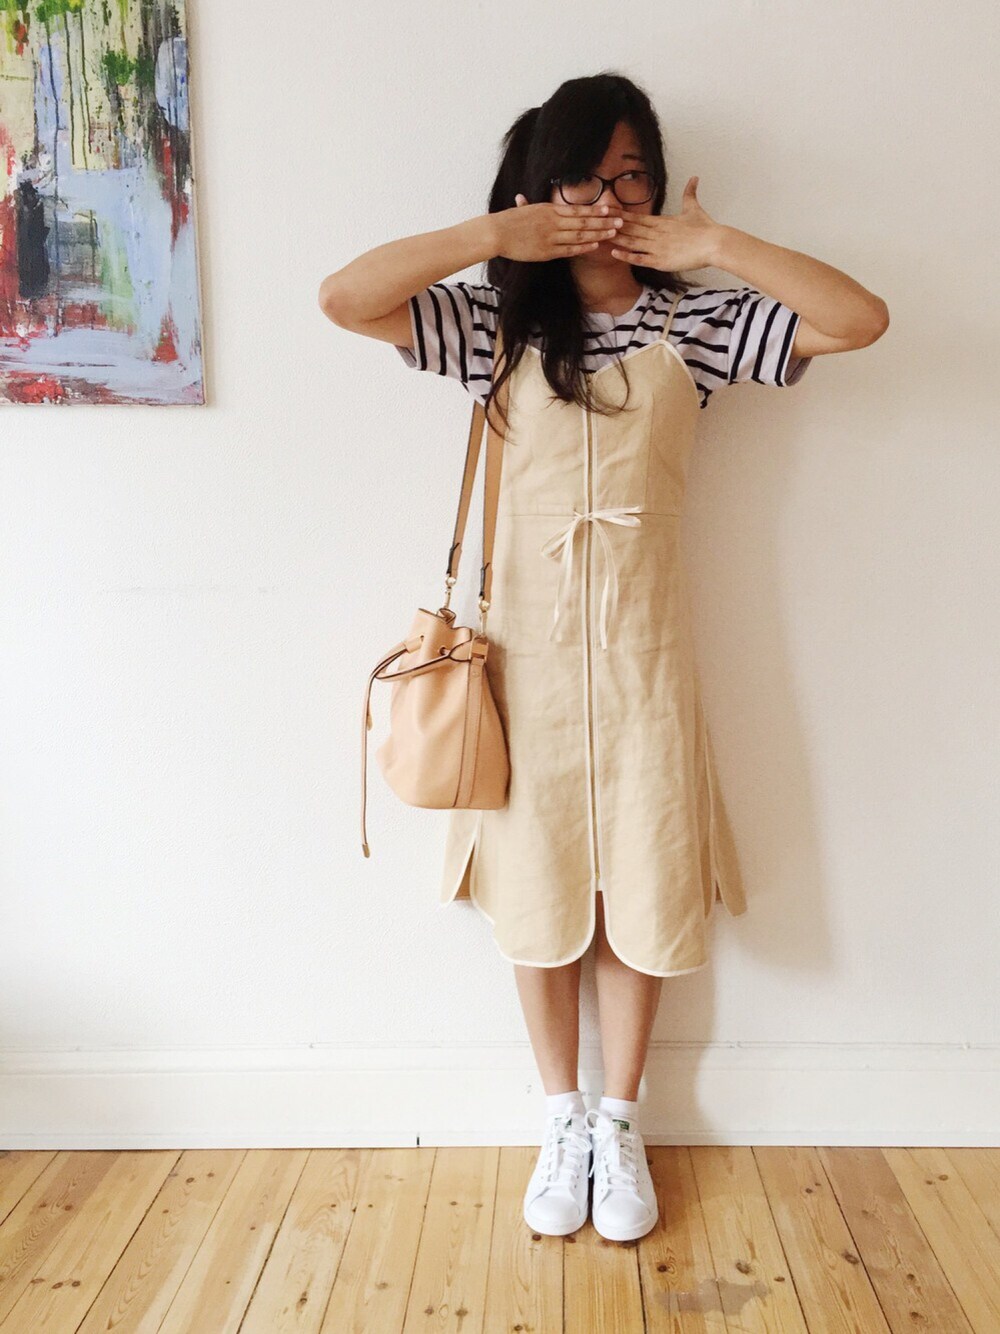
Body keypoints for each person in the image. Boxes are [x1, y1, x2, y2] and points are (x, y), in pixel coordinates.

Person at [319, 72, 889, 1243]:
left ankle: (620, 1119)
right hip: (518, 659)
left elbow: (856, 319)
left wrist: (714, 243)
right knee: (535, 887)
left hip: (645, 659)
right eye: (580, 178)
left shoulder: (693, 324)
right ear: (539, 190)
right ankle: (559, 1115)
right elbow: (343, 298)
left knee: (645, 879)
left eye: (629, 176)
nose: (605, 201)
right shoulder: (493, 325)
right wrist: (493, 237)